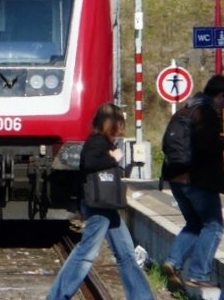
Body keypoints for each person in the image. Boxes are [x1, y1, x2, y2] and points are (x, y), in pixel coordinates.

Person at [47, 103, 154, 300]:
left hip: (106, 205)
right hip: (98, 206)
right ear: (111, 123)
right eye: (119, 123)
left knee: (126, 254)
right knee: (86, 252)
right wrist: (113, 158)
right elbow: (89, 163)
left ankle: (142, 296)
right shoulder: (97, 141)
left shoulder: (102, 141)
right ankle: (57, 295)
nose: (121, 128)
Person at [161, 74, 224, 291]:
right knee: (213, 225)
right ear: (220, 95)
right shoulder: (206, 113)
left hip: (176, 178)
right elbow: (206, 145)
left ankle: (173, 261)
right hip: (198, 180)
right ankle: (198, 274)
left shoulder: (184, 109)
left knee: (194, 223)